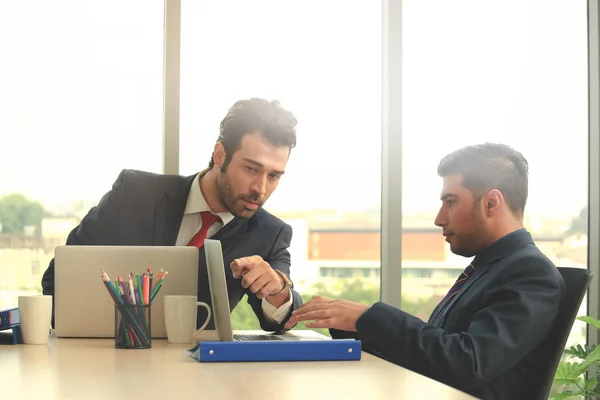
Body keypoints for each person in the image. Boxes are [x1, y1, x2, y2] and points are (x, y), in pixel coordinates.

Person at [285, 143, 566, 399]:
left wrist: (369, 317)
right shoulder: (491, 267)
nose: (438, 218)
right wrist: (354, 323)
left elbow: (467, 364)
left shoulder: (530, 272)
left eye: (451, 201)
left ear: (491, 203)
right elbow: (434, 355)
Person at [42, 98, 302, 332]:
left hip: (196, 375)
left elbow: (280, 319)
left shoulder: (269, 233)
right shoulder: (133, 193)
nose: (261, 188)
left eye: (274, 175)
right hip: (105, 364)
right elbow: (59, 274)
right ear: (220, 155)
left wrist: (278, 290)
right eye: (251, 169)